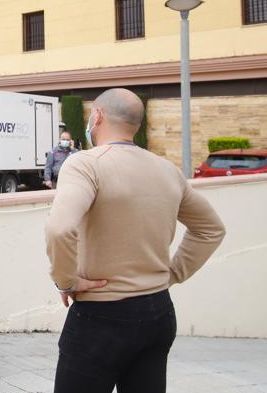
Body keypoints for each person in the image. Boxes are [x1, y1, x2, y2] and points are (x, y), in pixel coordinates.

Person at [44, 88, 226, 393]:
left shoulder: (86, 164)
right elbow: (211, 229)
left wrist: (66, 282)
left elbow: (60, 229)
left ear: (97, 116)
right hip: (158, 311)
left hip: (101, 316)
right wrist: (171, 274)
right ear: (136, 126)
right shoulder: (168, 170)